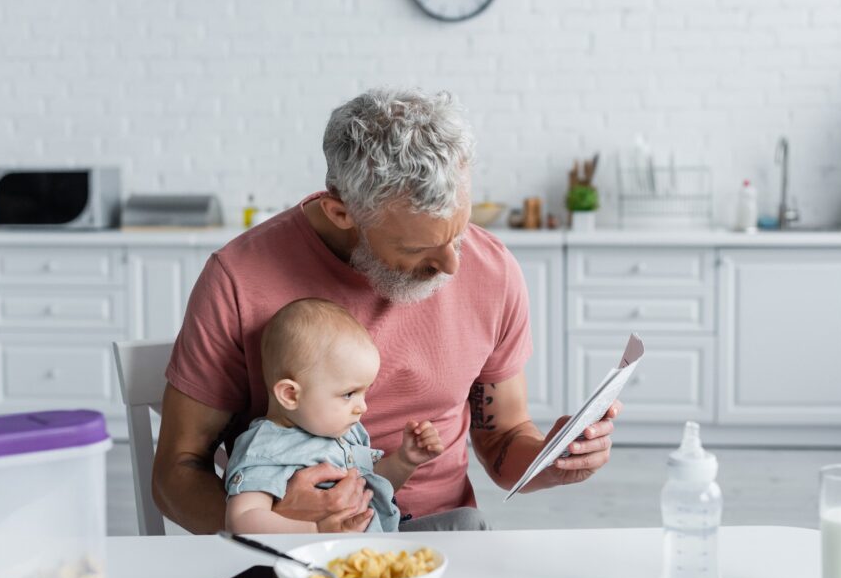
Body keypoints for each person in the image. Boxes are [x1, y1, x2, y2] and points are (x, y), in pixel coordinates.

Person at [155, 87, 621, 534]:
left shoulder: (493, 271)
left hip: (442, 540)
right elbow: (175, 475)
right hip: (294, 554)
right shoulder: (238, 278)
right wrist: (279, 528)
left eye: (458, 233)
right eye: (420, 248)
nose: (453, 265)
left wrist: (552, 461)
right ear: (342, 214)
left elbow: (502, 441)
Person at [224, 297, 476, 534]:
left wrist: (404, 461)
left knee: (470, 522)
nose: (362, 407)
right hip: (327, 561)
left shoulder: (346, 432)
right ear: (290, 395)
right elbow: (241, 519)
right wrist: (315, 531)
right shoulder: (265, 447)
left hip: (381, 542)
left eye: (364, 393)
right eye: (348, 394)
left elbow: (370, 490)